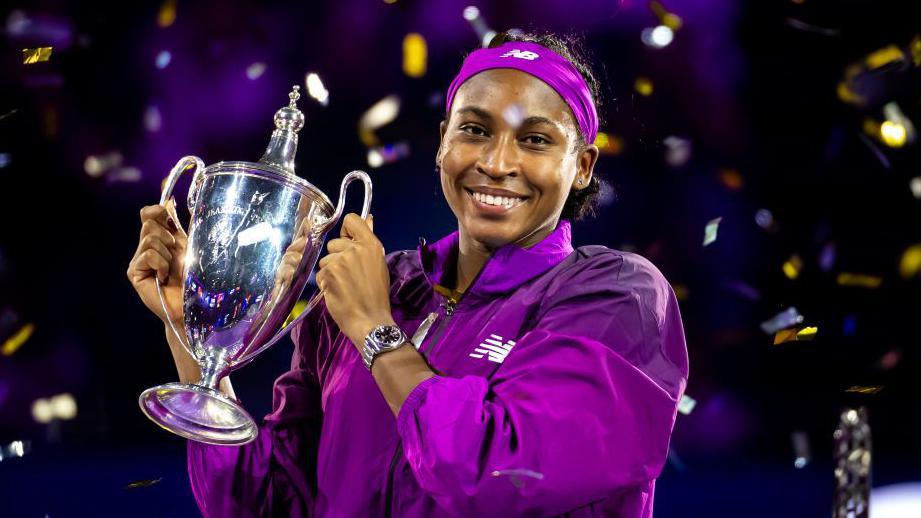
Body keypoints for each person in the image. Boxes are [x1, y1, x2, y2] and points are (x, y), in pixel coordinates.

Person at [127, 30, 689, 517]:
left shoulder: (617, 298)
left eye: (535, 140)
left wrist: (376, 332)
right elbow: (262, 503)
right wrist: (193, 330)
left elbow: (497, 478)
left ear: (582, 166)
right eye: (475, 130)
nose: (496, 162)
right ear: (443, 142)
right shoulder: (378, 286)